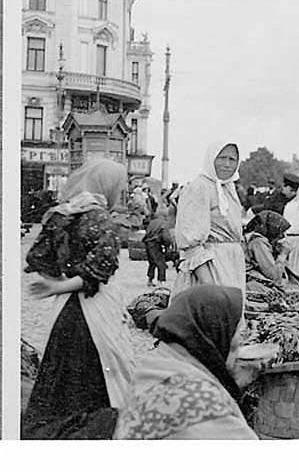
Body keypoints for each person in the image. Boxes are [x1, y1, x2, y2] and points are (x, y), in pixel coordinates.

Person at [23, 159, 134, 439]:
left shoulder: (61, 213)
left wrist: (57, 281)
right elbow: (99, 271)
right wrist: (60, 287)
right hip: (95, 306)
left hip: (65, 311)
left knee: (62, 370)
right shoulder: (100, 218)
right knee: (103, 368)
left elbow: (37, 258)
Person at [115, 285, 267, 439]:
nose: (239, 341)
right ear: (213, 335)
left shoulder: (154, 367)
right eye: (234, 334)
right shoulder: (202, 404)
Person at [171, 141, 246, 303]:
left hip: (231, 264)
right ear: (211, 158)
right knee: (212, 311)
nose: (227, 164)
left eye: (232, 160)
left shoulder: (229, 189)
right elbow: (190, 240)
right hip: (211, 266)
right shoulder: (199, 187)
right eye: (222, 158)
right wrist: (208, 283)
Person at [244, 210, 291, 291]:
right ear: (273, 230)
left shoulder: (260, 241)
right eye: (280, 232)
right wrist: (283, 255)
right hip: (253, 283)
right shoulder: (259, 243)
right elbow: (273, 275)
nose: (282, 236)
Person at [144, 208, 173, 287]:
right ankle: (161, 281)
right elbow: (166, 237)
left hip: (147, 243)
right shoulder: (163, 224)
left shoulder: (152, 222)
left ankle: (150, 279)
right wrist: (167, 245)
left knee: (152, 263)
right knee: (161, 262)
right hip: (156, 244)